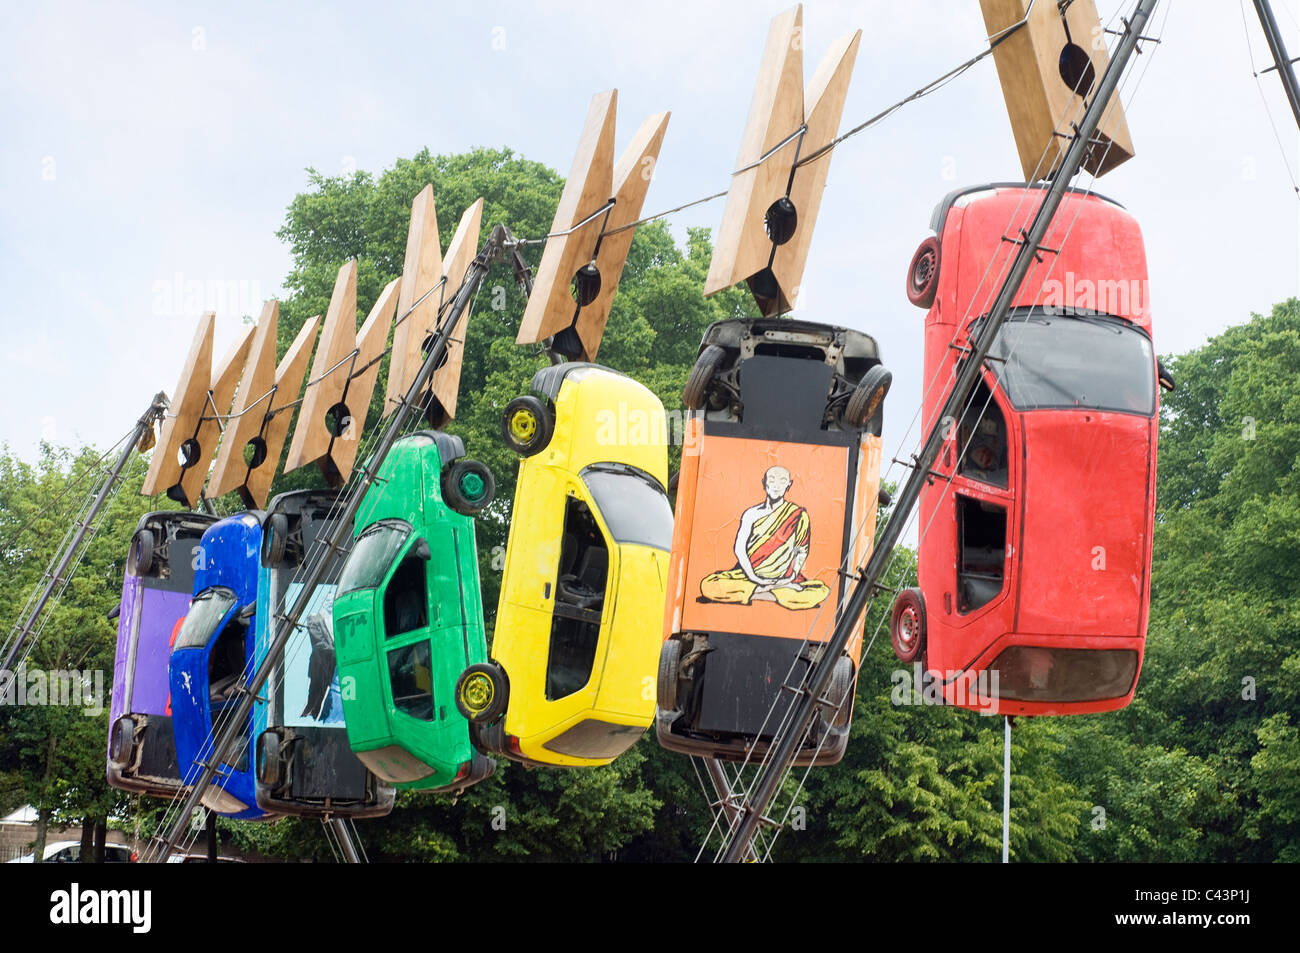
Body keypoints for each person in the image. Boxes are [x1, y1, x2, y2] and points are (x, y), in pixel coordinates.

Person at [699, 466, 829, 610]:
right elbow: (740, 549)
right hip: (749, 576)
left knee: (820, 591)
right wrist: (755, 578)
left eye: (782, 481)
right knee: (709, 585)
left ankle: (757, 592)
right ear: (764, 483)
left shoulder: (798, 515)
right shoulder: (751, 514)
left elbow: (801, 550)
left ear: (789, 485)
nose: (776, 486)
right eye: (772, 480)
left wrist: (790, 577)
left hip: (784, 578)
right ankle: (767, 593)